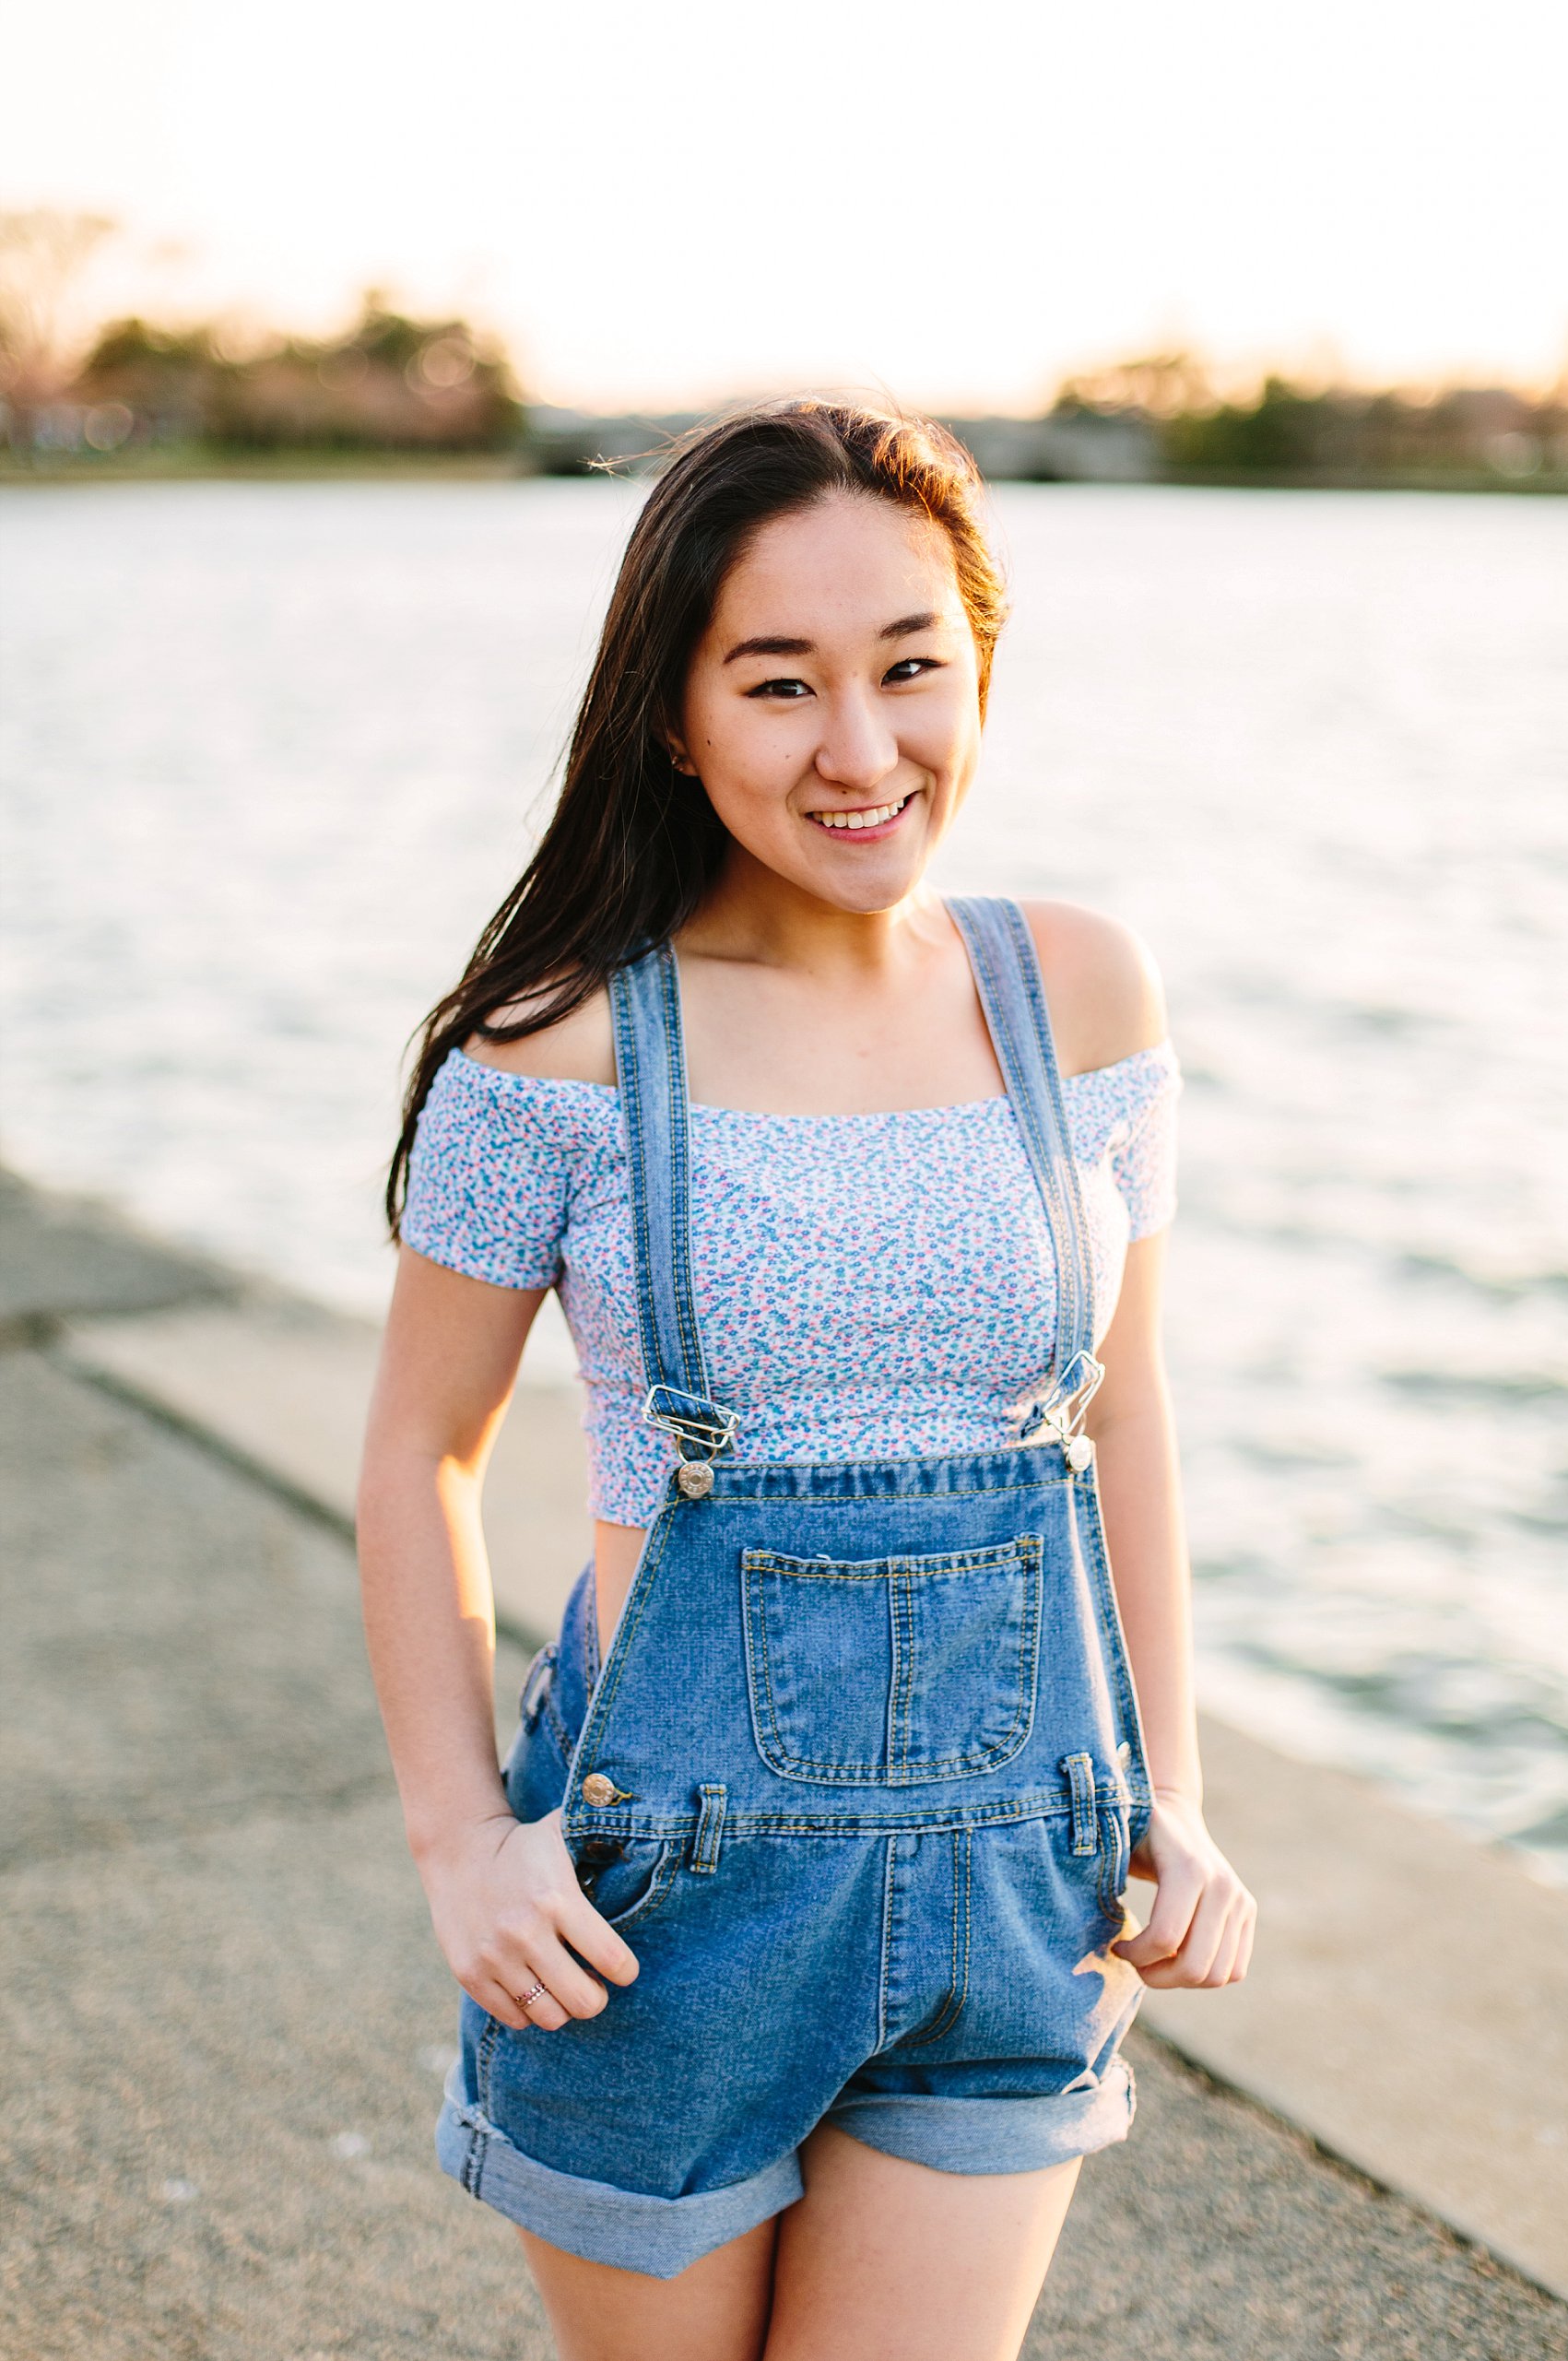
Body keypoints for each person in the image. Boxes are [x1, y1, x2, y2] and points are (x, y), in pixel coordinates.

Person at [355, 398, 1255, 2361]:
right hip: (662, 1907)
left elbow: (1125, 1414)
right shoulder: (561, 1048)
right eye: (781, 685)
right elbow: (420, 1447)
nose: (863, 751)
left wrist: (1170, 1793)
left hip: (1027, 1876)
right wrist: (457, 1843)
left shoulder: (1082, 990)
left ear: (981, 669)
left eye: (912, 668)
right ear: (675, 715)